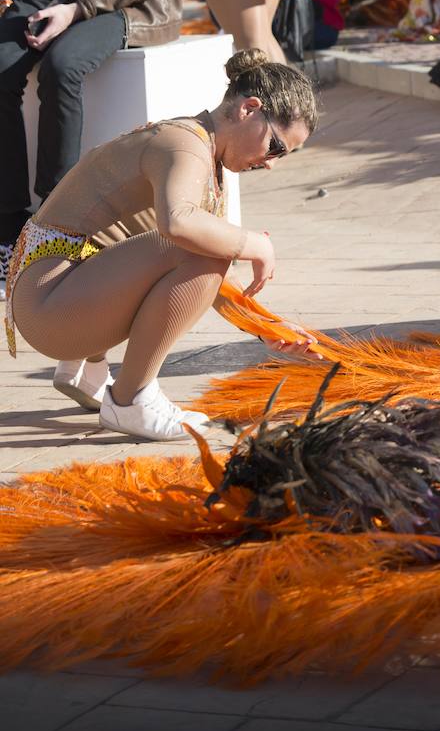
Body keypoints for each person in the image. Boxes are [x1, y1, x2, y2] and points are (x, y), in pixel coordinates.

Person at [4, 48, 319, 440]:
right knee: (199, 244)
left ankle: (88, 368)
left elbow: (198, 268)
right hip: (48, 302)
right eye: (275, 147)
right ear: (249, 109)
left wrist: (266, 326)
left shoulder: (197, 147)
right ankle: (129, 400)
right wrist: (256, 244)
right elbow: (179, 228)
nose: (271, 163)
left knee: (205, 247)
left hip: (55, 291)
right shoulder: (185, 145)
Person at [0, 0, 211, 287]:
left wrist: (78, 11)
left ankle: (58, 225)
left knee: (63, 65)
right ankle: (10, 227)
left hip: (127, 2)